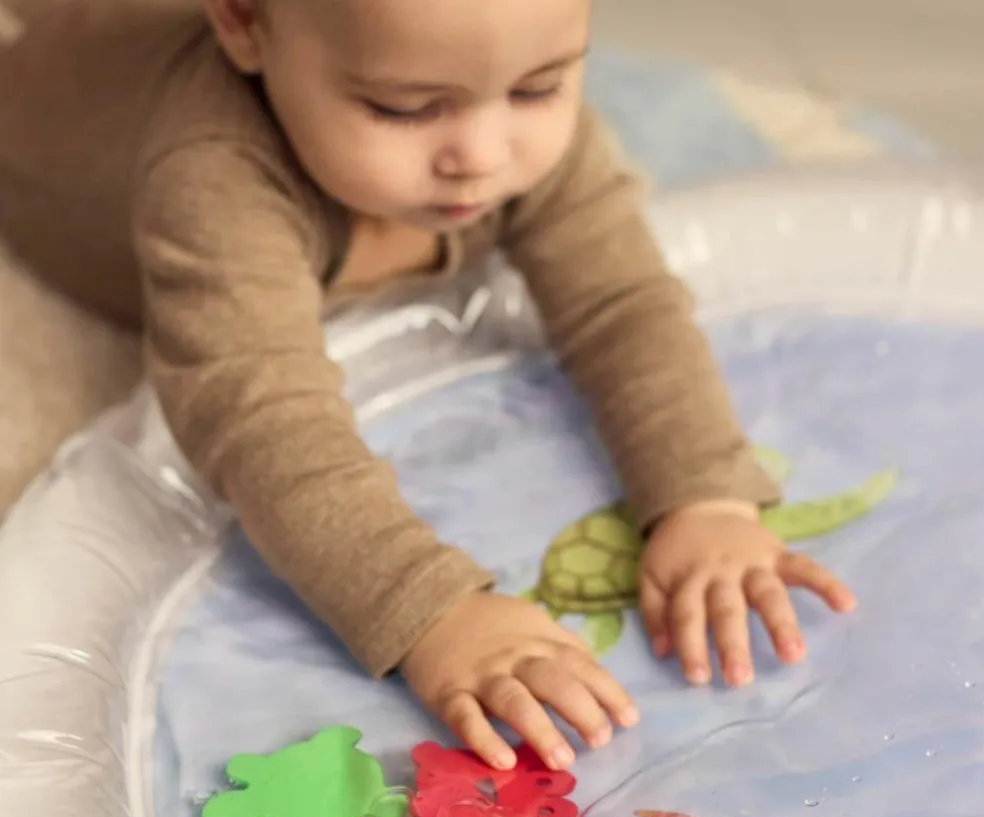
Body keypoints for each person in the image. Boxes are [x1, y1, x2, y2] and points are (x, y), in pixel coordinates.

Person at [0, 0, 855, 772]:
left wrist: (704, 495)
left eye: (540, 88)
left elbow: (622, 300)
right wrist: (430, 612)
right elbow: (257, 412)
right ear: (245, 26)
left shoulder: (498, 122)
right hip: (38, 128)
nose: (480, 159)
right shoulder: (211, 173)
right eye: (406, 108)